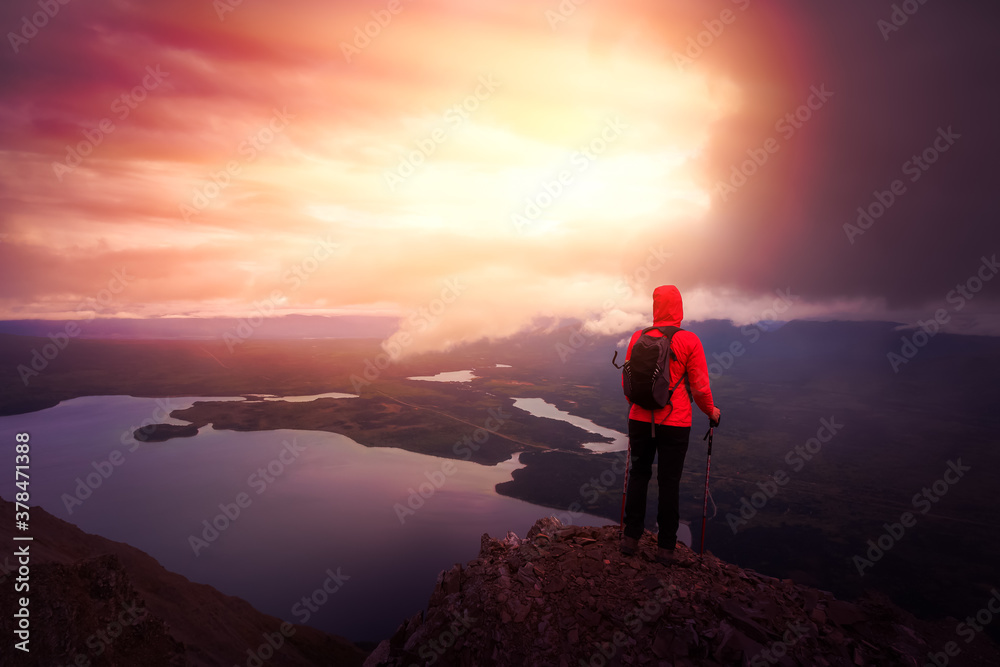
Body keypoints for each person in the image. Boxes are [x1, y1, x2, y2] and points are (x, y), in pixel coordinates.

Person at [620, 285, 720, 565]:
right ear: (679, 308)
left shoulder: (637, 338)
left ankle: (630, 538)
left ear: (655, 307)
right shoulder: (689, 340)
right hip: (675, 423)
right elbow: (700, 388)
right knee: (669, 482)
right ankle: (665, 548)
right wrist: (711, 413)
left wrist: (640, 404)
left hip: (639, 419)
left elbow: (627, 387)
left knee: (638, 474)